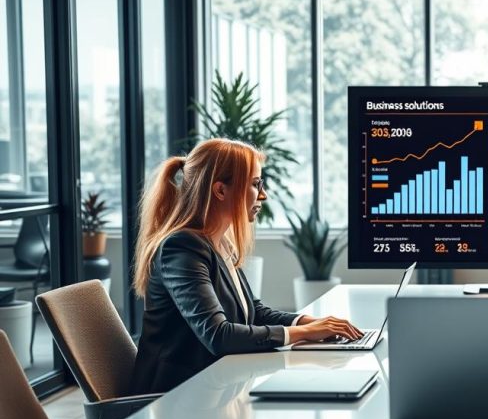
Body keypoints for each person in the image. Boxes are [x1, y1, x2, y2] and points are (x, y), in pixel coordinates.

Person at [130, 139, 362, 394]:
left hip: (213, 386)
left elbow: (253, 311)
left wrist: (311, 323)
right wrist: (303, 332)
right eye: (255, 184)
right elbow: (218, 336)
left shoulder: (219, 243)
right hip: (173, 400)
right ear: (220, 190)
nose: (263, 194)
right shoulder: (182, 247)